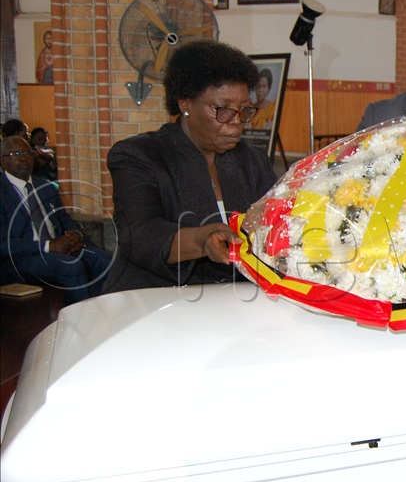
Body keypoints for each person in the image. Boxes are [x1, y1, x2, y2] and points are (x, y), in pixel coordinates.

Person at [103, 40, 277, 293]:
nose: (238, 122)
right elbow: (140, 234)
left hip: (233, 301)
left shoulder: (252, 161)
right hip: (155, 299)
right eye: (223, 110)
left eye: (244, 110)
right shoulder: (140, 155)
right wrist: (201, 239)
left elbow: (275, 223)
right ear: (185, 104)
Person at [1, 135, 111, 302]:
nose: (23, 158)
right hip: (21, 258)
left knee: (102, 259)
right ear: (3, 161)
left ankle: (103, 317)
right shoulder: (2, 192)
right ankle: (77, 324)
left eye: (27, 153)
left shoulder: (45, 187)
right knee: (71, 267)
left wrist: (74, 234)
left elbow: (63, 218)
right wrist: (49, 246)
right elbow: (4, 244)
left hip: (60, 245)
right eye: (16, 154)